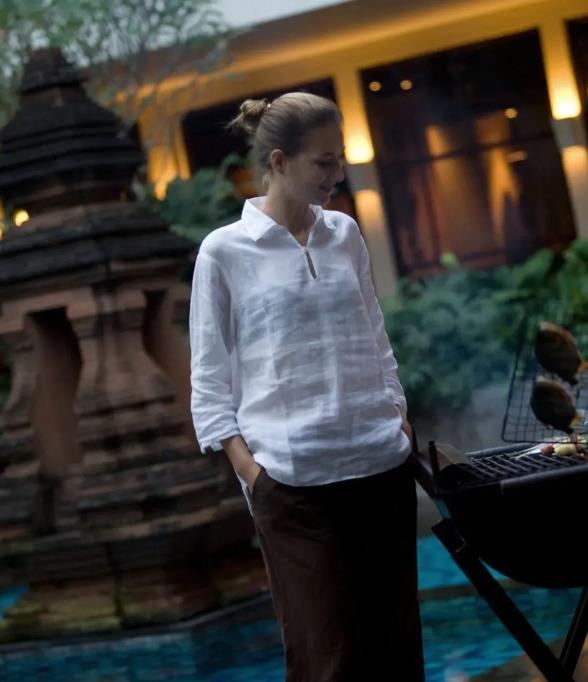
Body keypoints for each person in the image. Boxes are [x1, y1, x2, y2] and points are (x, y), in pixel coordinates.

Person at [188, 92, 424, 682]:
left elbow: (374, 334)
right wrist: (252, 472)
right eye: (323, 162)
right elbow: (208, 379)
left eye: (338, 158)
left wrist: (396, 416)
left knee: (396, 654)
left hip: (379, 466)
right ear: (278, 161)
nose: (337, 173)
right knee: (327, 662)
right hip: (291, 484)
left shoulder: (344, 233)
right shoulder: (223, 252)